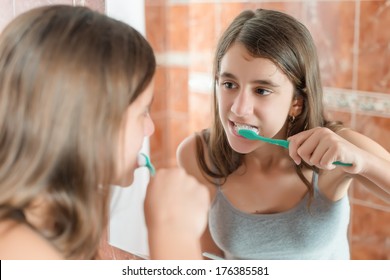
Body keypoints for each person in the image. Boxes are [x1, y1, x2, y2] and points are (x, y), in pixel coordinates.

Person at [177, 9, 390, 260]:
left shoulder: (336, 149)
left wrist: (363, 162)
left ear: (296, 102)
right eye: (229, 84)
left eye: (262, 90)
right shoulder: (199, 154)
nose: (238, 108)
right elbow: (208, 259)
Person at [0, 5, 209, 260]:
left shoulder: (42, 226)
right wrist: (173, 230)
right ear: (86, 124)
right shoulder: (20, 250)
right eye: (143, 111)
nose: (150, 128)